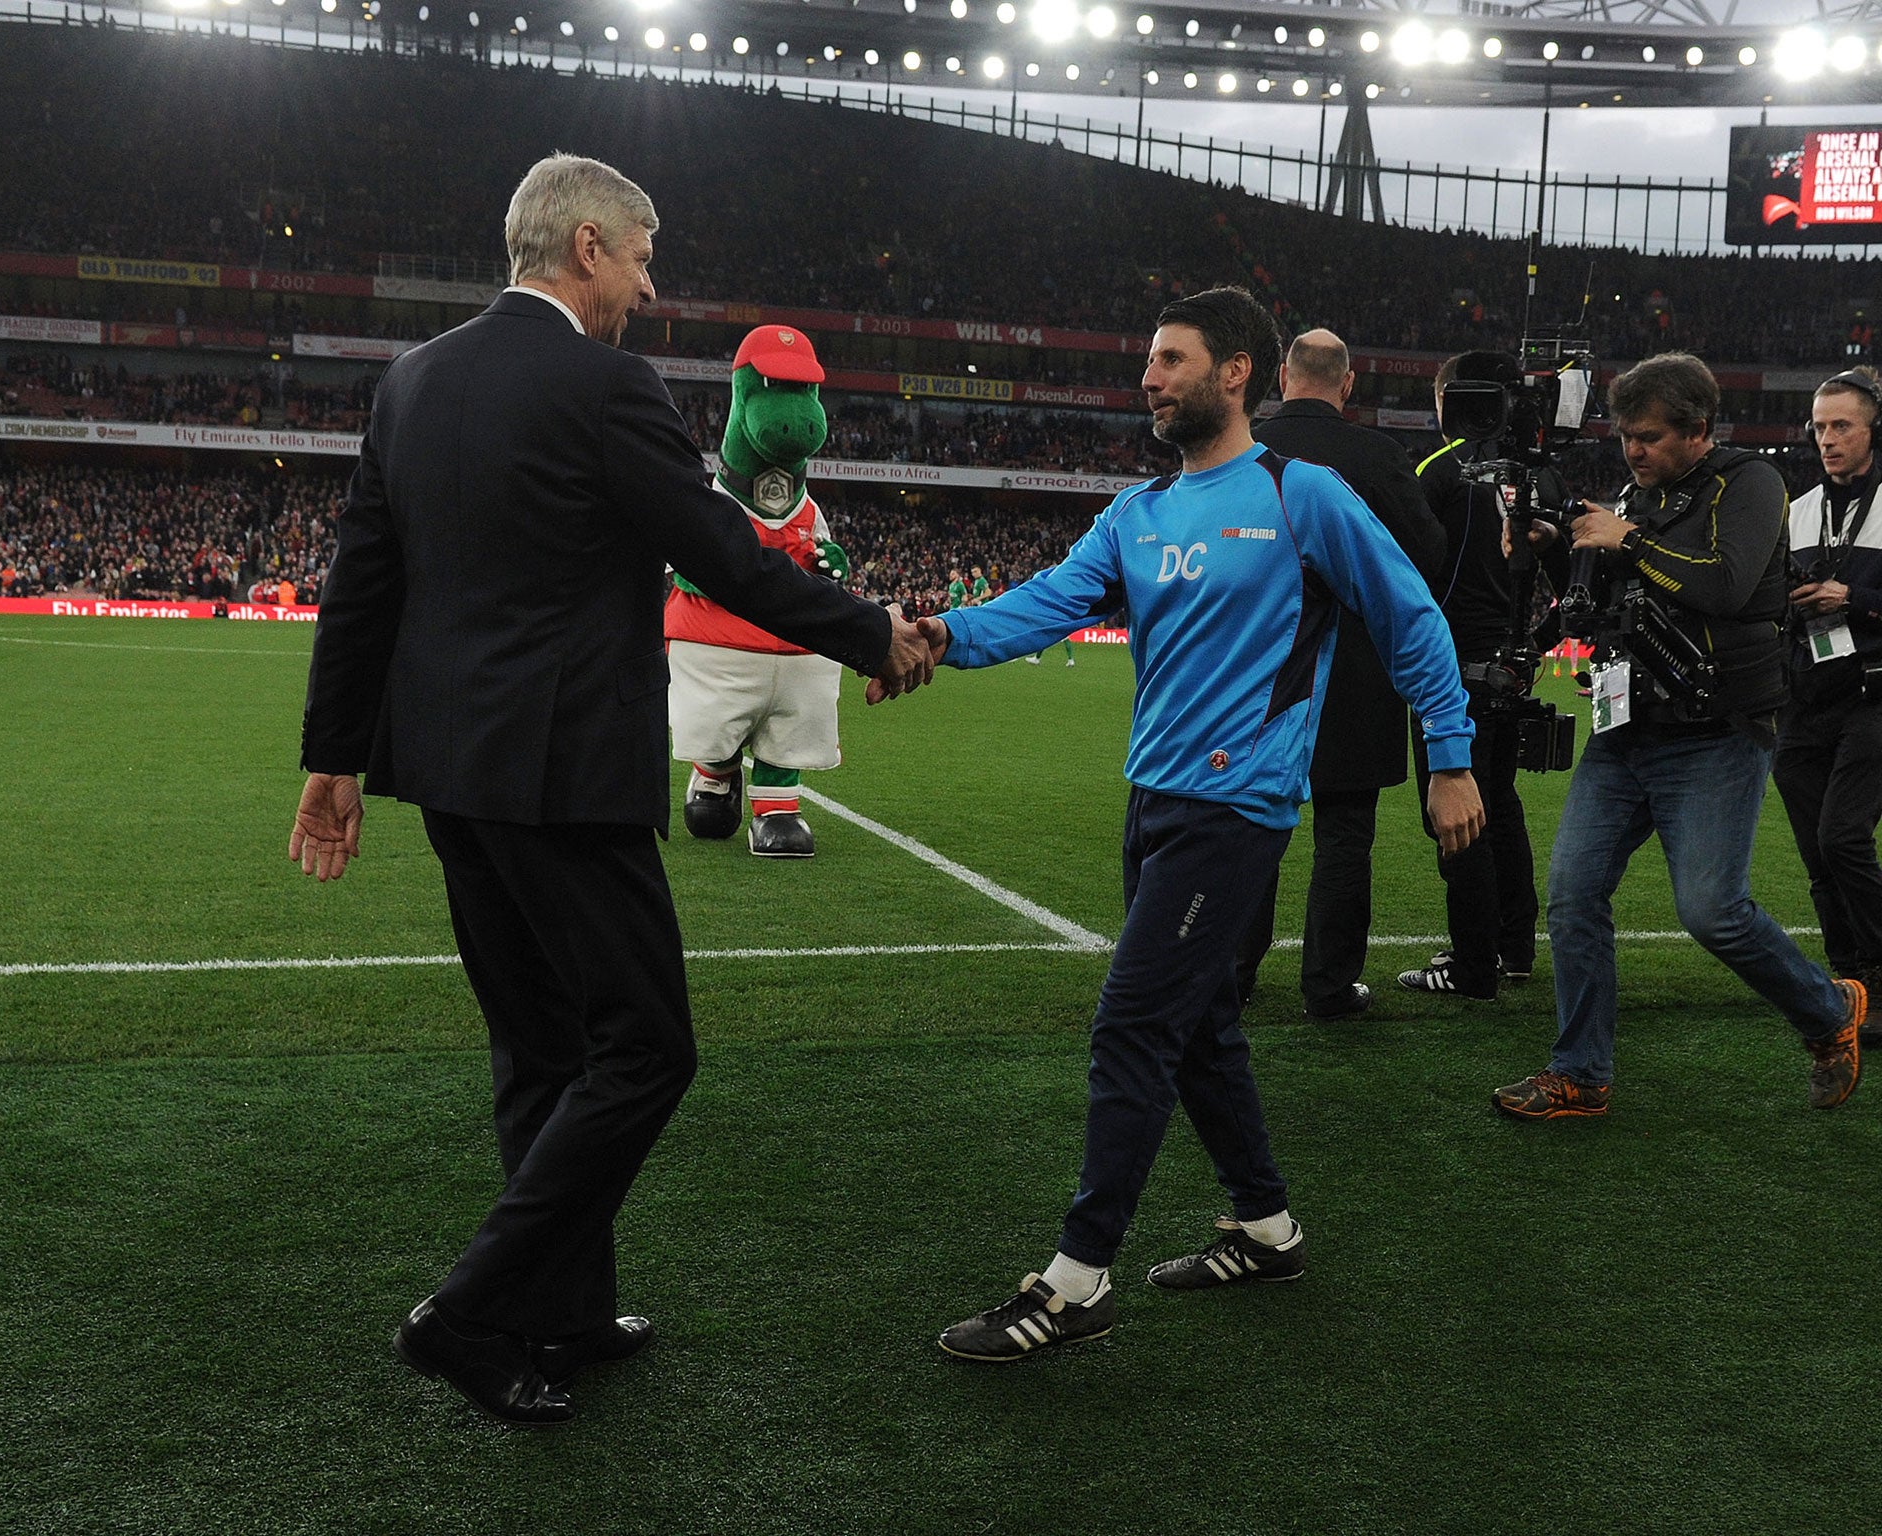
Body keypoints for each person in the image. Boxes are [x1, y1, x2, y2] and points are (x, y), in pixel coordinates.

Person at [288, 154, 931, 1426]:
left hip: (449, 775)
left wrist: (332, 764)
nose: (648, 286)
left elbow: (362, 587)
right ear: (585, 246)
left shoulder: (410, 383)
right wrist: (871, 633)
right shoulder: (603, 384)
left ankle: (561, 1312)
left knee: (541, 1052)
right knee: (645, 1050)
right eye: (640, 258)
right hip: (565, 774)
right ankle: (468, 1312)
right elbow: (720, 552)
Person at [899, 288, 1481, 1361]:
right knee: (1201, 1022)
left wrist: (1448, 757)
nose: (1148, 378)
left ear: (1235, 374)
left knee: (1131, 1025)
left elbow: (1408, 618)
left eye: (1169, 360)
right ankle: (1265, 1227)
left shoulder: (1296, 494)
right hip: (1152, 801)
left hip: (1234, 811)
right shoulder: (1135, 513)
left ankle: (1074, 1282)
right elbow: (1044, 603)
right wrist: (940, 632)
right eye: (1147, 361)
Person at [1493, 352, 1867, 1121]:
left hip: (1718, 729)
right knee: (1571, 897)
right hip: (1626, 725)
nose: (1634, 450)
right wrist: (1556, 546)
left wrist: (1626, 538)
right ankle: (1581, 1073)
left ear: (1699, 431)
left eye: (1651, 437)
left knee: (1711, 911)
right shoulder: (1639, 492)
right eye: (1628, 435)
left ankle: (1828, 1012)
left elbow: (1724, 585)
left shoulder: (1752, 484)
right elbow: (1603, 597)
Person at [1231, 328, 1445, 1018]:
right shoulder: (1379, 458)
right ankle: (1328, 984)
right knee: (1346, 835)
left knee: (1252, 827)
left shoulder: (1241, 451)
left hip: (1258, 678)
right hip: (1357, 680)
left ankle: (1231, 971)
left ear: (1283, 378)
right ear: (1346, 384)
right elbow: (1427, 562)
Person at [1394, 351, 1546, 999]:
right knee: (1501, 803)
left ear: (1446, 400)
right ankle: (1513, 947)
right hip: (1512, 663)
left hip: (1450, 666)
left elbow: (1399, 562)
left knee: (1457, 814)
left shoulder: (1438, 472)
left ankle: (1472, 963)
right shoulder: (1529, 473)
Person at [1772, 366, 1882, 1041]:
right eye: (1818, 426)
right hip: (1806, 698)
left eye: (1842, 425)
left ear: (1873, 429)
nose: (1828, 438)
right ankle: (1848, 980)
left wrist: (1856, 601)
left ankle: (1878, 967)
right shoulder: (1800, 509)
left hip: (1876, 695)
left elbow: (1854, 602)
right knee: (1819, 850)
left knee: (1842, 837)